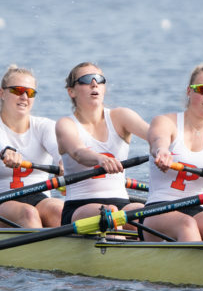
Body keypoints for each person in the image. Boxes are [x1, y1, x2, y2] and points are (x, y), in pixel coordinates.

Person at [142, 62, 203, 241]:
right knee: (186, 224)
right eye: (201, 89)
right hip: (158, 208)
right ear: (189, 92)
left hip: (198, 209)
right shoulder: (166, 121)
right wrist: (162, 151)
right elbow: (158, 139)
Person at [55, 62, 149, 224]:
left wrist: (163, 147)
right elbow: (78, 152)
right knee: (110, 213)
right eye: (85, 79)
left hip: (121, 203)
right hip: (80, 206)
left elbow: (153, 134)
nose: (94, 83)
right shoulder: (66, 124)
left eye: (99, 79)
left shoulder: (121, 116)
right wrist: (100, 159)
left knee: (147, 213)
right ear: (71, 91)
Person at [0, 66, 63, 228]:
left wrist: (62, 160)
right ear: (2, 93)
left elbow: (58, 147)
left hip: (40, 198)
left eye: (30, 93)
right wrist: (5, 152)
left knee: (59, 210)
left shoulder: (44, 126)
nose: (24, 97)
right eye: (17, 91)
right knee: (28, 213)